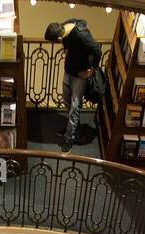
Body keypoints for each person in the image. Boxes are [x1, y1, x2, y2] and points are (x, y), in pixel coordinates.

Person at [45, 19, 101, 153]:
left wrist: (91, 71)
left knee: (74, 108)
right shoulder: (65, 26)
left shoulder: (82, 35)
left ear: (59, 38)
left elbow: (97, 51)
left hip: (79, 77)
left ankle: (69, 138)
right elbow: (82, 20)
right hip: (69, 71)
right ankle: (74, 127)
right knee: (66, 100)